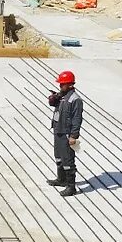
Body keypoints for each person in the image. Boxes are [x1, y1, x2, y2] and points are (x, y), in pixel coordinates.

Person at [47, 70, 83, 198]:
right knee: (58, 157)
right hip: (58, 130)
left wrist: (74, 136)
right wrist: (54, 97)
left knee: (68, 159)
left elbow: (77, 119)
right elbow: (52, 104)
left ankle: (71, 186)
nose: (60, 86)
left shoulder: (75, 100)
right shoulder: (62, 95)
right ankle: (61, 179)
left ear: (70, 84)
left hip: (67, 133)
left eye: (62, 84)